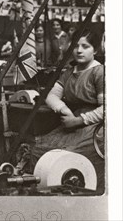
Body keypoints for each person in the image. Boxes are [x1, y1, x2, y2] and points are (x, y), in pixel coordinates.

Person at [31, 31, 104, 193]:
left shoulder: (99, 72)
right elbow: (51, 96)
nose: (79, 50)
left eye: (85, 46)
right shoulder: (69, 72)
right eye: (76, 46)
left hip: (95, 128)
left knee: (68, 156)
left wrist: (79, 120)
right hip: (72, 121)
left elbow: (107, 108)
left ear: (96, 50)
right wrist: (64, 110)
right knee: (39, 149)